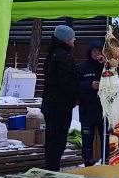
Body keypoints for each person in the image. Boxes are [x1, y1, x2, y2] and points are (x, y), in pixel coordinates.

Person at [40, 25, 80, 169]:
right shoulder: (63, 56)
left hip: (50, 104)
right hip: (60, 105)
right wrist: (76, 94)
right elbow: (66, 82)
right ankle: (52, 170)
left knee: (51, 139)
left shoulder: (52, 54)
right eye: (72, 37)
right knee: (58, 140)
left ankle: (50, 168)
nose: (74, 40)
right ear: (66, 39)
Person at [77, 41, 107, 165]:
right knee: (87, 139)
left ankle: (106, 162)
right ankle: (87, 164)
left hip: (103, 110)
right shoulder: (82, 67)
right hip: (86, 110)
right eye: (94, 51)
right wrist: (89, 85)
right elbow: (75, 85)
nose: (97, 54)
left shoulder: (107, 67)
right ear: (90, 52)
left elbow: (116, 81)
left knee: (105, 139)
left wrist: (104, 65)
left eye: (99, 51)